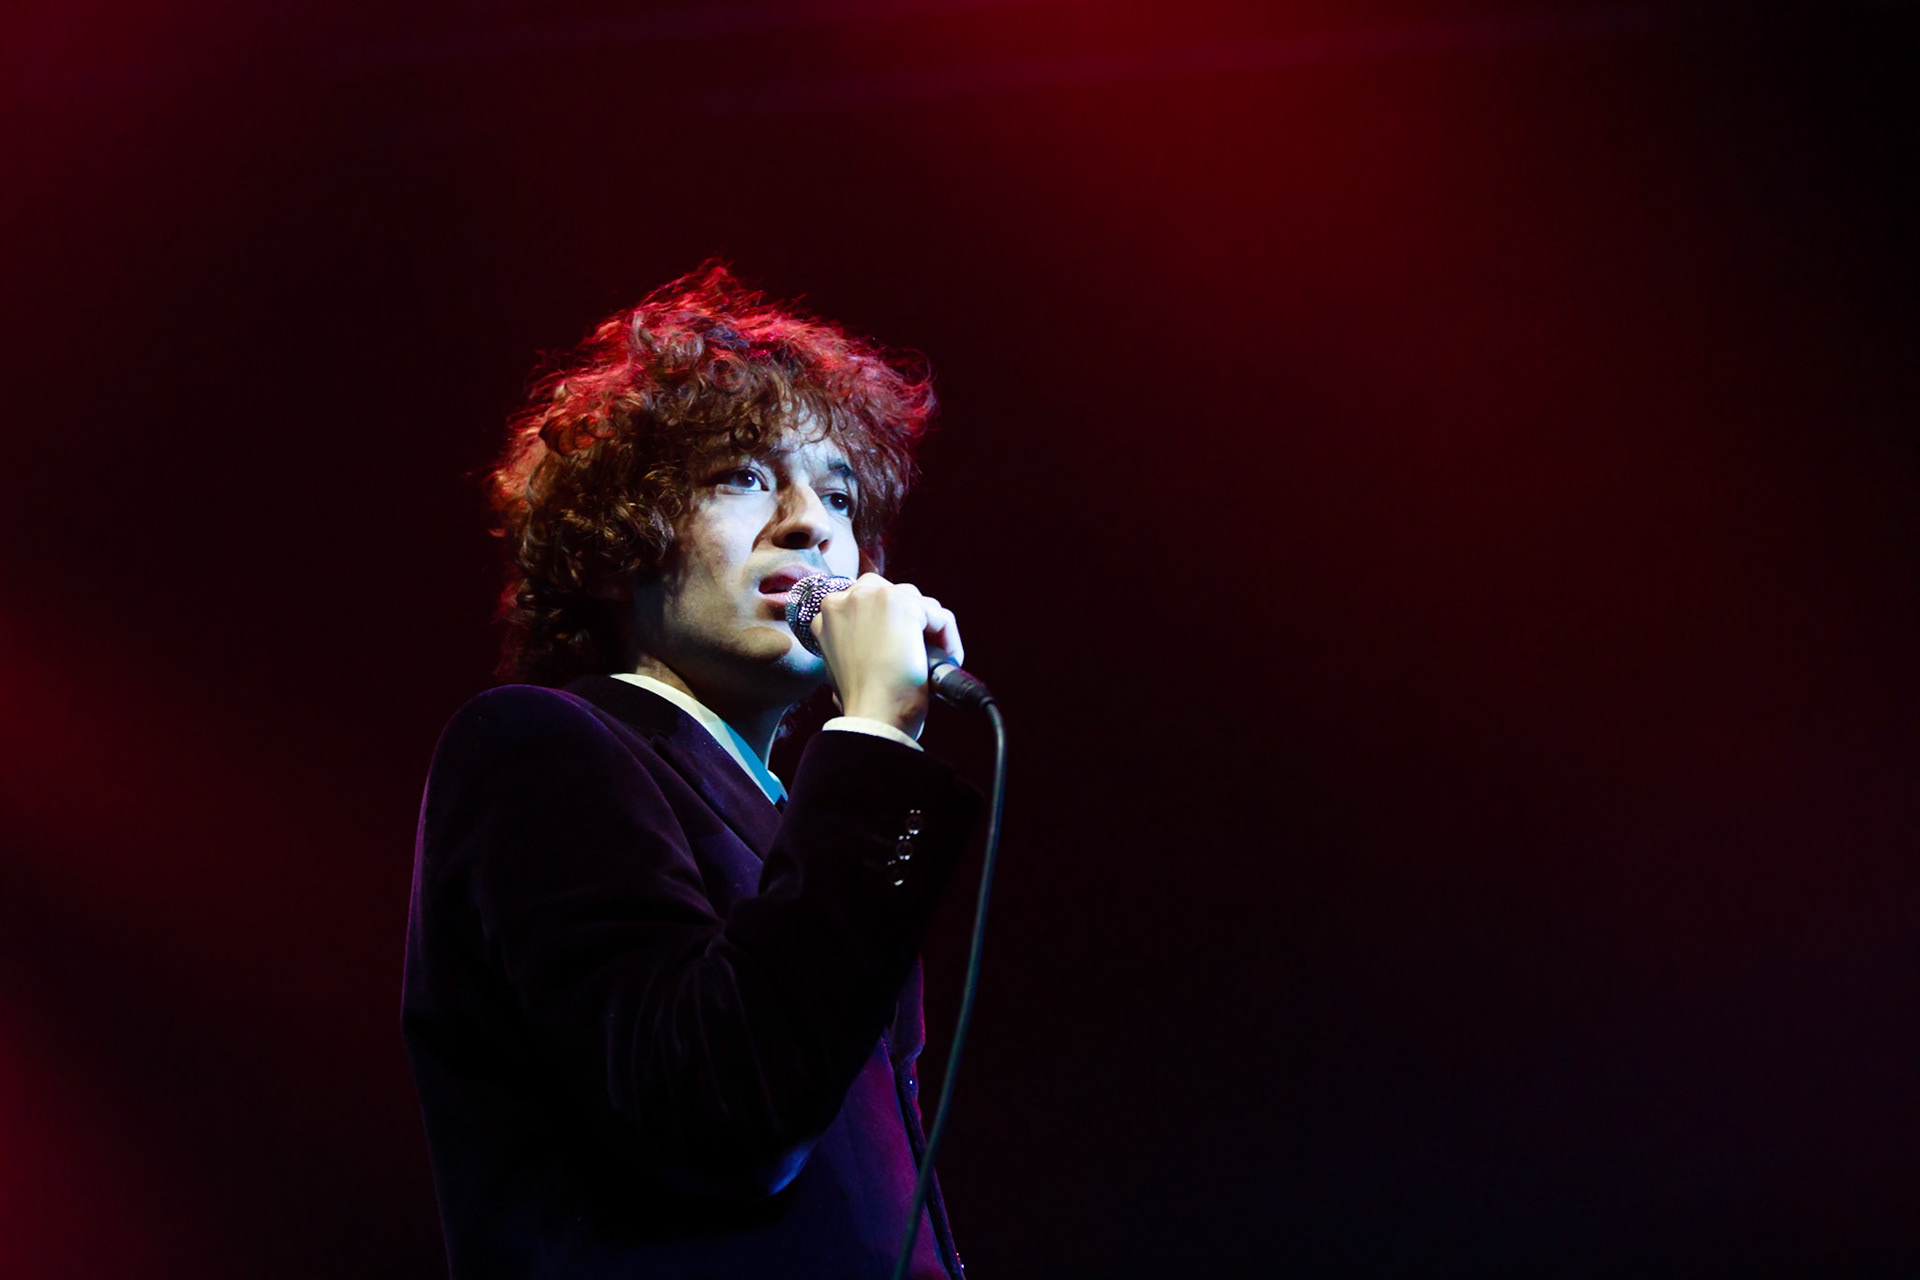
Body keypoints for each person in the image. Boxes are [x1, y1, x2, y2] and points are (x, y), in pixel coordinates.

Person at [401, 265, 980, 1279]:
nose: (810, 524)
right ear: (620, 537)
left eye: (839, 494)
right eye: (743, 476)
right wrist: (874, 737)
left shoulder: (805, 823)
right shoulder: (539, 747)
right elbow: (719, 1109)